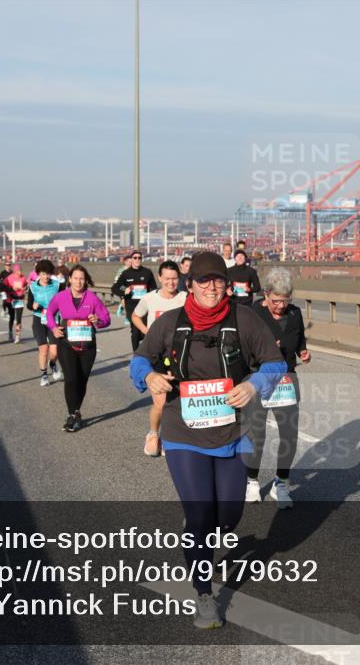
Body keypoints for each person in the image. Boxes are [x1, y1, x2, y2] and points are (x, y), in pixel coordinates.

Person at [129, 252, 286, 629]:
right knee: (201, 516)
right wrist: (149, 377)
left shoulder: (244, 318)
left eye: (218, 280)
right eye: (204, 281)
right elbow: (140, 360)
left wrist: (254, 384)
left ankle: (201, 529)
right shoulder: (170, 322)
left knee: (228, 516)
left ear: (226, 284)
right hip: (183, 431)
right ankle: (204, 594)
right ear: (191, 285)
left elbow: (276, 363)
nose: (212, 287)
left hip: (234, 431)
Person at [244, 268, 310, 509]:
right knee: (256, 435)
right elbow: (243, 346)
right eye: (276, 301)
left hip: (286, 380)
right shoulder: (252, 313)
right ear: (266, 294)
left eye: (285, 300)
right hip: (259, 378)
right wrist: (266, 348)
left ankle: (281, 483)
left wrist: (303, 351)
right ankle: (251, 481)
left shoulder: (295, 313)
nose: (281, 306)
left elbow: (299, 339)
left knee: (289, 435)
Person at [131, 260, 187, 457]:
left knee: (179, 401)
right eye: (167, 279)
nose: (171, 283)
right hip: (156, 355)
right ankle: (153, 433)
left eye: (175, 279)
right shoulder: (149, 298)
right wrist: (147, 332)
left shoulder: (185, 298)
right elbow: (135, 316)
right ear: (160, 278)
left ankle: (170, 437)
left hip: (179, 355)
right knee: (162, 402)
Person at [46, 265, 111, 432]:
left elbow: (106, 319)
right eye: (75, 278)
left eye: (82, 278)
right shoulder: (60, 297)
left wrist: (97, 320)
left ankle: (76, 411)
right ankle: (71, 415)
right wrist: (54, 328)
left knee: (82, 379)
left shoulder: (92, 298)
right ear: (70, 279)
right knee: (71, 378)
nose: (78, 281)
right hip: (67, 344)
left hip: (88, 346)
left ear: (85, 280)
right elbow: (49, 313)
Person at [28, 259, 64, 387]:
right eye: (43, 274)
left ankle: (53, 364)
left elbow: (65, 300)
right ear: (38, 274)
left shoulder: (57, 285)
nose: (46, 277)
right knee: (43, 350)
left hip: (53, 319)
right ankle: (44, 375)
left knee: (54, 351)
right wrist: (33, 306)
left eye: (48, 273)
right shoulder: (33, 287)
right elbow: (29, 305)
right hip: (39, 319)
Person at [112, 251, 156, 351]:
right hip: (131, 307)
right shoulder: (126, 273)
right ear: (131, 259)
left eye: (139, 258)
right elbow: (114, 288)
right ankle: (136, 353)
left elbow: (153, 288)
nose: (137, 259)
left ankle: (146, 351)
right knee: (135, 331)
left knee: (145, 330)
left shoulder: (147, 272)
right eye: (135, 257)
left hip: (145, 306)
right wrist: (124, 292)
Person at [3, 263, 29, 343]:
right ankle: (10, 333)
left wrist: (25, 288)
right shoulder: (9, 278)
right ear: (15, 271)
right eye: (18, 271)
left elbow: (26, 286)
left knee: (18, 319)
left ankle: (18, 336)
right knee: (12, 317)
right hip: (11, 299)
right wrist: (11, 288)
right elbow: (3, 286)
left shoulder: (23, 278)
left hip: (20, 300)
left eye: (21, 270)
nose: (20, 272)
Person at [112, 254, 132, 322]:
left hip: (131, 288)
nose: (130, 263)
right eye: (129, 262)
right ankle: (127, 317)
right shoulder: (121, 270)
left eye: (131, 262)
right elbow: (117, 281)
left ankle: (122, 308)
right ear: (125, 262)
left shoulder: (134, 270)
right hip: (122, 287)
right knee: (125, 303)